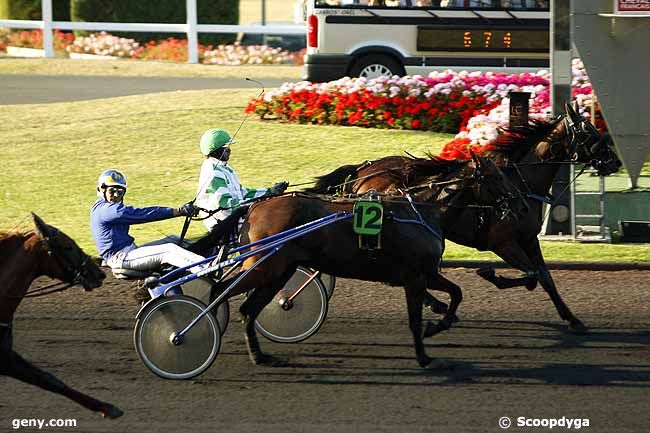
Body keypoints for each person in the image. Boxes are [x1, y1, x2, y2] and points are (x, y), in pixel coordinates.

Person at [90, 169, 209, 275]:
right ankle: (206, 269)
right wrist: (179, 211)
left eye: (120, 192)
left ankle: (209, 253)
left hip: (130, 251)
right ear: (101, 190)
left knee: (174, 239)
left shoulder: (106, 208)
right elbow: (143, 214)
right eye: (112, 191)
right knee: (169, 250)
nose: (116, 195)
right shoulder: (106, 210)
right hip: (121, 258)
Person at [194, 129, 289, 241]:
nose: (229, 150)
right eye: (226, 148)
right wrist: (254, 206)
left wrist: (269, 192)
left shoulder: (226, 169)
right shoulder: (213, 172)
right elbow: (226, 205)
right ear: (215, 151)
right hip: (223, 222)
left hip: (234, 217)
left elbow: (243, 193)